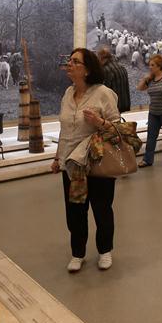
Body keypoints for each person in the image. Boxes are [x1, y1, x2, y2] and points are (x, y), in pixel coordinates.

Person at [51, 48, 120, 273]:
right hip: (72, 165)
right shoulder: (67, 94)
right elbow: (65, 131)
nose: (69, 64)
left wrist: (99, 121)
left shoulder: (103, 93)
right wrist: (57, 157)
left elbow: (118, 129)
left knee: (101, 209)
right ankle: (77, 253)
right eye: (69, 60)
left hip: (97, 162)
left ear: (88, 69)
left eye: (75, 62)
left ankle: (105, 251)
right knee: (75, 211)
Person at [97, 47, 131, 113]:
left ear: (101, 57)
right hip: (122, 104)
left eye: (98, 57)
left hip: (111, 107)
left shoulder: (105, 70)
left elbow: (104, 91)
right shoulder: (122, 68)